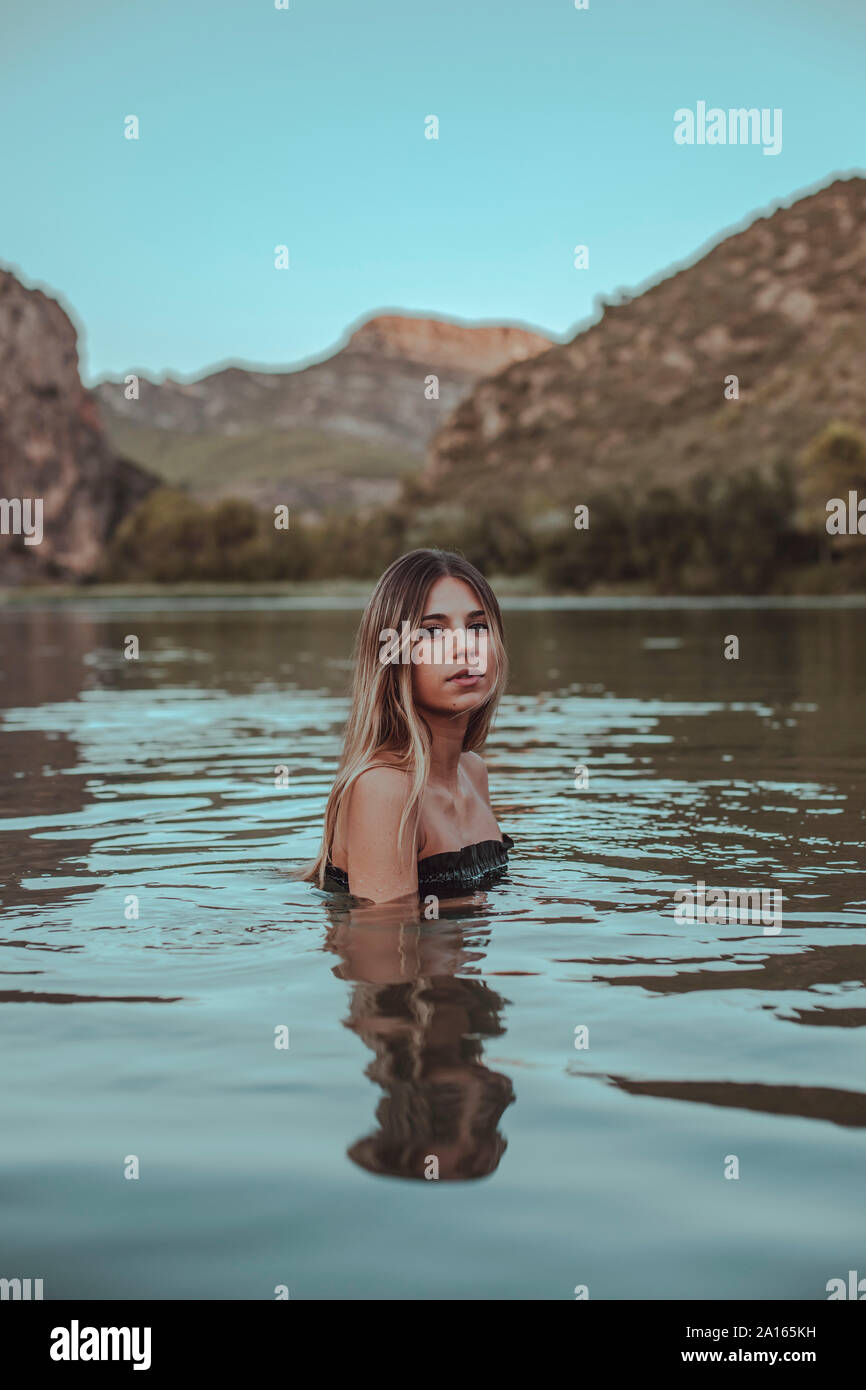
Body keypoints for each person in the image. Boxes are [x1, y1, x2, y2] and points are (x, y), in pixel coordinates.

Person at [304, 548, 513, 904]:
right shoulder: (384, 788)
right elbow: (382, 948)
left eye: (477, 626)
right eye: (432, 631)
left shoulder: (473, 771)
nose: (465, 648)